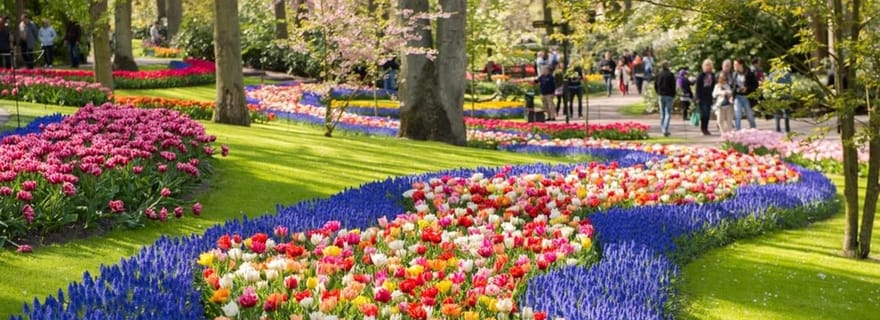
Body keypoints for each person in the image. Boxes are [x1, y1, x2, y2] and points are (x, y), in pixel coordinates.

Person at [732, 58, 759, 130]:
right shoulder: (734, 74)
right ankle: (738, 131)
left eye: (735, 64)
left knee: (749, 115)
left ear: (741, 65)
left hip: (747, 97)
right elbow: (733, 86)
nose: (734, 66)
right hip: (738, 97)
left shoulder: (749, 73)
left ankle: (753, 128)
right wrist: (732, 96)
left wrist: (747, 88)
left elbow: (755, 85)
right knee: (737, 114)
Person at [694, 59, 716, 135]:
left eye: (709, 66)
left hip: (709, 97)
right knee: (704, 113)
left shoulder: (712, 75)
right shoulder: (701, 75)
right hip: (701, 97)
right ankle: (703, 128)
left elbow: (713, 86)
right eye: (706, 66)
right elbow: (697, 87)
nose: (708, 67)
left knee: (707, 114)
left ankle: (705, 128)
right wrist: (697, 97)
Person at [654, 61, 676, 137]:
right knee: (668, 113)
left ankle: (663, 128)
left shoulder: (658, 74)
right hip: (669, 95)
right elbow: (673, 85)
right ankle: (665, 129)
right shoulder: (670, 75)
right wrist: (673, 94)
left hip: (661, 95)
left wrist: (658, 92)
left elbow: (655, 85)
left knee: (662, 113)